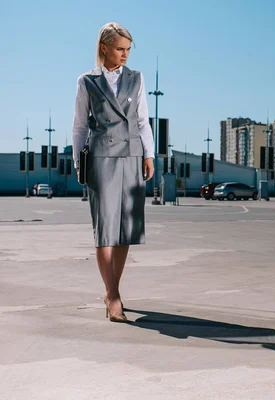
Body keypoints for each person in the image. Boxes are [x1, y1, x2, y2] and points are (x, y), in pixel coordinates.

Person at [72, 22, 155, 323]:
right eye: (120, 49)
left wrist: (149, 154)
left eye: (128, 49)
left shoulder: (137, 78)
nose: (125, 55)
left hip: (133, 156)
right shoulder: (87, 81)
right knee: (105, 230)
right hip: (101, 157)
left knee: (126, 231)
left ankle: (112, 290)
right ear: (104, 47)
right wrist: (79, 162)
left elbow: (144, 120)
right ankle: (113, 294)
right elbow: (80, 125)